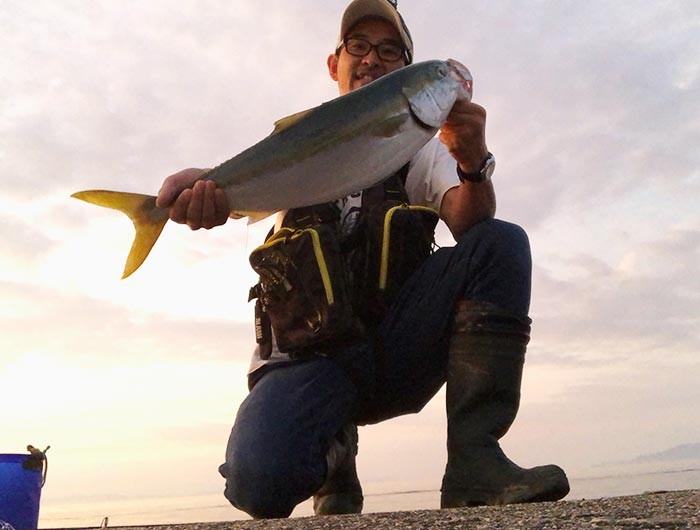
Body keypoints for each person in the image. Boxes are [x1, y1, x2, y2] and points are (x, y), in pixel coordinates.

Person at [156, 0, 570, 519]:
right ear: (335, 64)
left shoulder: (421, 146)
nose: (373, 58)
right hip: (312, 363)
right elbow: (247, 176)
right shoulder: (295, 142)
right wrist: (206, 184)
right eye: (359, 46)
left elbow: (471, 223)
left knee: (501, 242)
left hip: (396, 347)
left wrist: (472, 163)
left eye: (391, 50)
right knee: (258, 483)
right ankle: (332, 456)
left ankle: (475, 461)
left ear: (403, 73)